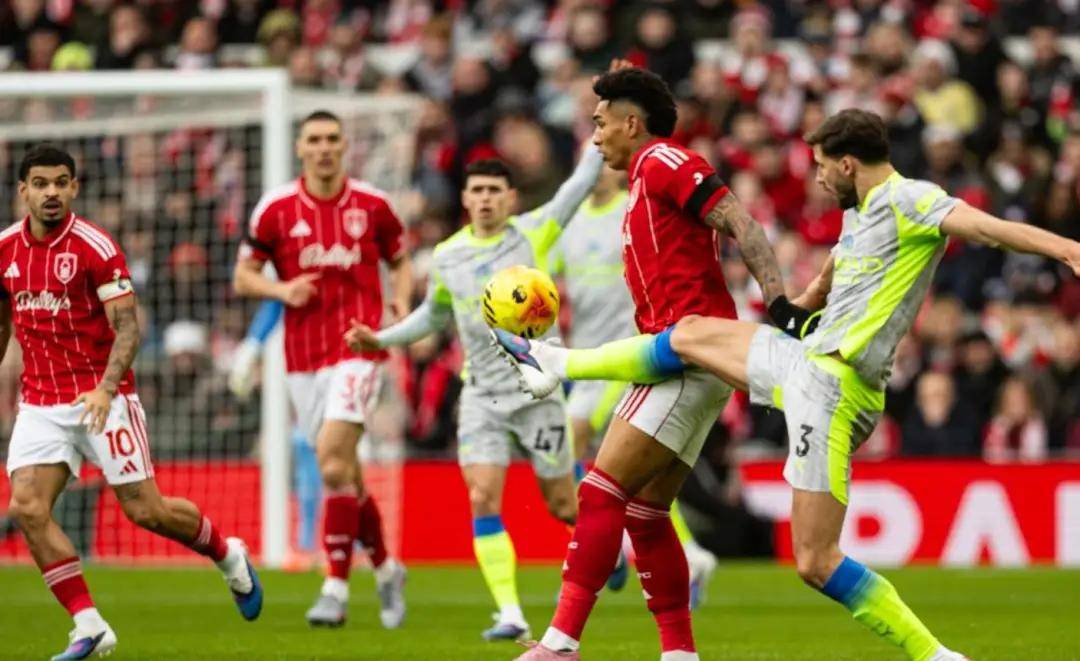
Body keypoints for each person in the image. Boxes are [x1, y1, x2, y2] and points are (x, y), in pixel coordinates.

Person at [497, 108, 1080, 660]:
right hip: (808, 366)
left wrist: (1068, 249)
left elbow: (989, 229)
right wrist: (791, 310)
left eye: (823, 167)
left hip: (836, 388)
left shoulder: (912, 200)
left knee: (816, 561)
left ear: (847, 163)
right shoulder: (859, 216)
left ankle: (934, 653)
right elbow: (827, 282)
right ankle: (556, 364)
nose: (819, 180)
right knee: (691, 333)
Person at [497, 66, 795, 661]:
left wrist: (780, 303)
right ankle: (679, 653)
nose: (595, 135)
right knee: (646, 511)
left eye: (601, 123)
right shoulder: (641, 176)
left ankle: (560, 643)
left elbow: (740, 221)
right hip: (685, 356)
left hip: (686, 354)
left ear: (632, 124)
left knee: (598, 492)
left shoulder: (664, 161)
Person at [5, 144, 263, 661]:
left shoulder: (96, 247)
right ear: (23, 191)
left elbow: (128, 327)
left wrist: (105, 388)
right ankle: (90, 625)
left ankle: (226, 553)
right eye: (41, 183)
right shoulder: (5, 250)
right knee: (27, 507)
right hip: (41, 401)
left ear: (74, 188)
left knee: (148, 511)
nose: (51, 192)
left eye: (61, 183)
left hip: (103, 397)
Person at [345, 148, 601, 643]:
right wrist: (383, 338)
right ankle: (511, 613)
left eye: (494, 191)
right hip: (482, 396)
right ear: (465, 198)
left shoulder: (534, 231)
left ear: (510, 198)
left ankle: (605, 549)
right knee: (482, 495)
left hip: (537, 392)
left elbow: (578, 185)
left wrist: (600, 129)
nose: (485, 199)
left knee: (563, 506)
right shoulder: (448, 255)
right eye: (477, 191)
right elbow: (433, 315)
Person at [232, 110, 409, 629]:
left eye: (333, 139)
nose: (324, 147)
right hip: (302, 359)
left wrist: (399, 303)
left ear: (345, 146)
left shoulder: (373, 205)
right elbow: (244, 276)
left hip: (360, 348)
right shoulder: (276, 209)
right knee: (345, 472)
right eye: (315, 140)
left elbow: (399, 259)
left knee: (331, 464)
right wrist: (281, 289)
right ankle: (387, 568)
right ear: (301, 148)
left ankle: (334, 589)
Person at [553, 164, 717, 605]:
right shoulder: (571, 225)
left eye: (604, 167)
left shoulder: (629, 213)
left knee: (573, 437)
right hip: (588, 357)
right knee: (641, 480)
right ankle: (691, 555)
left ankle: (597, 552)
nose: (597, 174)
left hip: (629, 352)